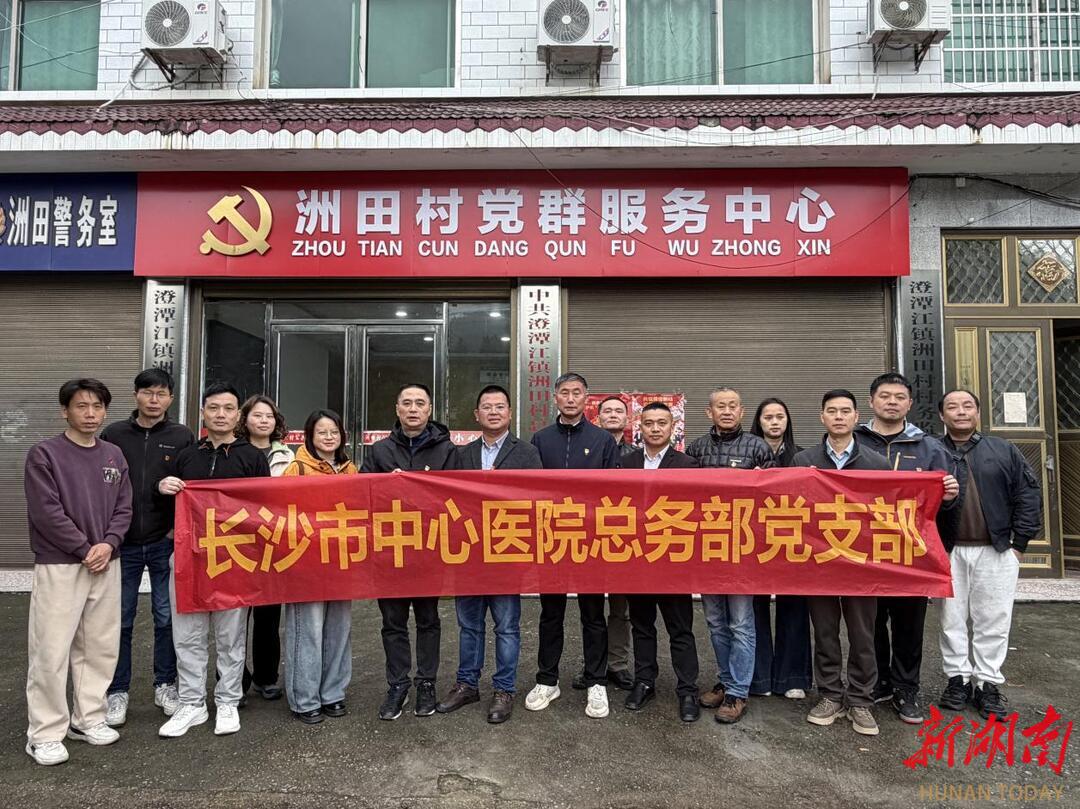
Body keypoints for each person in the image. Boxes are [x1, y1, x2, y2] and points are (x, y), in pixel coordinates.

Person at [24, 379, 132, 766]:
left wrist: (109, 544)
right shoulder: (44, 454)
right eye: (81, 406)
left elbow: (124, 507)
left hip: (106, 561)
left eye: (97, 407)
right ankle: (44, 733)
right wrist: (85, 548)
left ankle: (88, 718)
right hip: (61, 563)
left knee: (99, 645)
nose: (90, 414)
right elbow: (46, 511)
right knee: (51, 649)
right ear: (64, 411)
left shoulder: (113, 454)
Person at [155, 383, 271, 738]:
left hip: (234, 559)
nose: (221, 415)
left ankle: (228, 700)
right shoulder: (186, 455)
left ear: (238, 415)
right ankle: (191, 703)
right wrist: (163, 488)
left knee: (231, 636)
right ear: (203, 412)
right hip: (189, 558)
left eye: (228, 408)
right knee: (187, 634)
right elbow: (168, 508)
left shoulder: (252, 457)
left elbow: (266, 508)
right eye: (214, 408)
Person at [854, 373, 959, 724]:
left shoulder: (930, 448)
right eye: (885, 396)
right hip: (864, 551)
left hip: (912, 553)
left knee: (909, 625)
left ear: (910, 404)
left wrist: (949, 497)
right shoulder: (854, 442)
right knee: (869, 622)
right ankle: (877, 681)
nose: (892, 402)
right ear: (872, 401)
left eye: (899, 397)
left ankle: (906, 688)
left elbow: (944, 503)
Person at [436, 385, 542, 724]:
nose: (493, 412)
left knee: (507, 626)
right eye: (487, 407)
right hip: (468, 554)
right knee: (469, 624)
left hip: (507, 553)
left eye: (499, 406)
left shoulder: (527, 453)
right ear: (476, 414)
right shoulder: (461, 455)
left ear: (510, 413)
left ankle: (504, 689)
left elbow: (537, 501)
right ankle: (467, 684)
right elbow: (446, 500)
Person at [936, 390, 1042, 721]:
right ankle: (957, 679)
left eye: (967, 406)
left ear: (978, 413)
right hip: (948, 550)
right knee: (951, 619)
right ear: (942, 416)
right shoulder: (932, 450)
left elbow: (1028, 494)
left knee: (993, 620)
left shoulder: (1003, 449)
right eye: (952, 407)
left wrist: (1019, 544)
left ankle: (987, 683)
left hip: (996, 549)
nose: (960, 412)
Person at [793, 389, 891, 737]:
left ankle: (861, 699)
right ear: (822, 417)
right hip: (819, 562)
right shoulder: (803, 461)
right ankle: (831, 695)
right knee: (824, 632)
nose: (838, 416)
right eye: (832, 411)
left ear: (856, 417)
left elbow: (889, 514)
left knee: (863, 634)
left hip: (862, 564)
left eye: (845, 411)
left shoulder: (877, 463)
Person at [99, 368, 193, 729]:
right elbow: (101, 485)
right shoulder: (114, 434)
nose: (154, 400)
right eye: (148, 393)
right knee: (119, 619)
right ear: (135, 395)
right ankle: (117, 690)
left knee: (166, 617)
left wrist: (175, 530)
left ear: (171, 398)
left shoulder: (181, 436)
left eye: (161, 393)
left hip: (163, 541)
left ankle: (165, 684)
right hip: (121, 543)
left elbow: (191, 488)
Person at [525, 372, 619, 719]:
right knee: (551, 614)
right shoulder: (540, 439)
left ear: (586, 398)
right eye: (564, 392)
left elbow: (614, 493)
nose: (570, 398)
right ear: (555, 398)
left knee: (593, 614)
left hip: (590, 542)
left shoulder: (602, 440)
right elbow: (529, 490)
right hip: (551, 539)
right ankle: (547, 679)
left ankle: (596, 681)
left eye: (576, 393)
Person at [361, 383, 456, 721]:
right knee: (393, 622)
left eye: (420, 403)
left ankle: (426, 682)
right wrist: (386, 486)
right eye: (407, 403)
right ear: (397, 409)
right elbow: (360, 494)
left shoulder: (447, 450)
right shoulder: (379, 450)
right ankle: (397, 684)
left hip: (429, 549)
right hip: (389, 551)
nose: (413, 409)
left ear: (430, 410)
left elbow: (457, 499)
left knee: (428, 619)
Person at [686, 387, 773, 724]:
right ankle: (725, 681)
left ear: (742, 411)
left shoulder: (758, 448)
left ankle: (738, 692)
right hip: (707, 548)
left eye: (732, 406)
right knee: (715, 621)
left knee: (741, 623)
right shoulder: (696, 449)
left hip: (743, 550)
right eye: (720, 406)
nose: (726, 411)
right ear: (709, 412)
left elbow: (774, 499)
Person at [620, 402, 701, 723]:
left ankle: (688, 690)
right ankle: (644, 681)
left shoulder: (688, 465)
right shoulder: (625, 464)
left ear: (672, 427)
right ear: (639, 427)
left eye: (661, 423)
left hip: (673, 559)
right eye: (649, 423)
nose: (655, 428)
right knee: (641, 626)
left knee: (680, 628)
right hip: (636, 558)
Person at [281, 409, 357, 724]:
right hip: (306, 563)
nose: (328, 437)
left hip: (341, 562)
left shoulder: (351, 469)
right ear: (310, 436)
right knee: (307, 630)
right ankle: (305, 698)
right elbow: (281, 515)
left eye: (334, 432)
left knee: (339, 629)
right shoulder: (296, 469)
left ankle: (333, 693)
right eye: (322, 432)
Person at [748, 397, 812, 701]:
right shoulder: (748, 453)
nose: (774, 422)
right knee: (754, 609)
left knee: (794, 608)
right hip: (753, 541)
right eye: (768, 417)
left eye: (779, 417)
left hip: (793, 541)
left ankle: (792, 677)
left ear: (788, 421)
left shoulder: (802, 457)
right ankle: (759, 677)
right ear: (758, 422)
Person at [236, 394, 295, 702]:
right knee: (235, 619)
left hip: (273, 542)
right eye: (257, 415)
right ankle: (235, 680)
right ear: (245, 419)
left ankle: (266, 677)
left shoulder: (288, 455)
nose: (263, 421)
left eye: (269, 416)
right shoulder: (232, 451)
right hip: (238, 542)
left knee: (269, 617)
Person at [579, 394, 635, 692]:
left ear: (628, 418)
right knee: (590, 610)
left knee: (620, 608)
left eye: (619, 411)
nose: (613, 415)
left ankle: (618, 664)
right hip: (587, 537)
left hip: (623, 539)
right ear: (597, 417)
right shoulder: (587, 448)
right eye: (607, 411)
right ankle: (592, 666)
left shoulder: (638, 456)